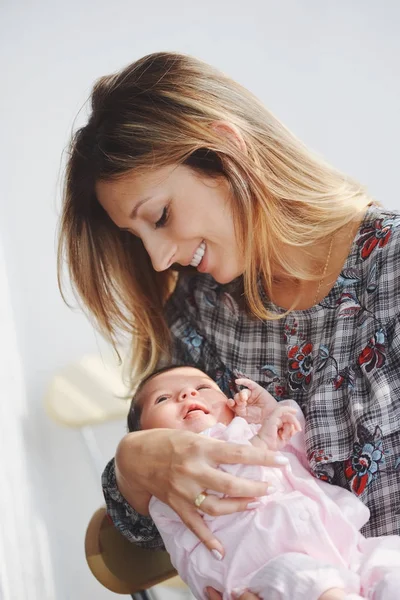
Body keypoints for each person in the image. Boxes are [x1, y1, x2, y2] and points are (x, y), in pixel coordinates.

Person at [57, 51, 400, 599]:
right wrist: (132, 465)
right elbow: (146, 531)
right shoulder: (202, 312)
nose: (159, 260)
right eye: (137, 237)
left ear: (227, 149)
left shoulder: (391, 271)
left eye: (160, 217)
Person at [126, 364, 400, 600]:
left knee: (390, 563)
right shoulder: (169, 478)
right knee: (306, 580)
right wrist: (260, 443)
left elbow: (305, 461)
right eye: (162, 399)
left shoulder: (248, 432)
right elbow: (227, 487)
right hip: (261, 575)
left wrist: (273, 417)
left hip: (343, 547)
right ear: (145, 437)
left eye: (203, 386)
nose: (188, 394)